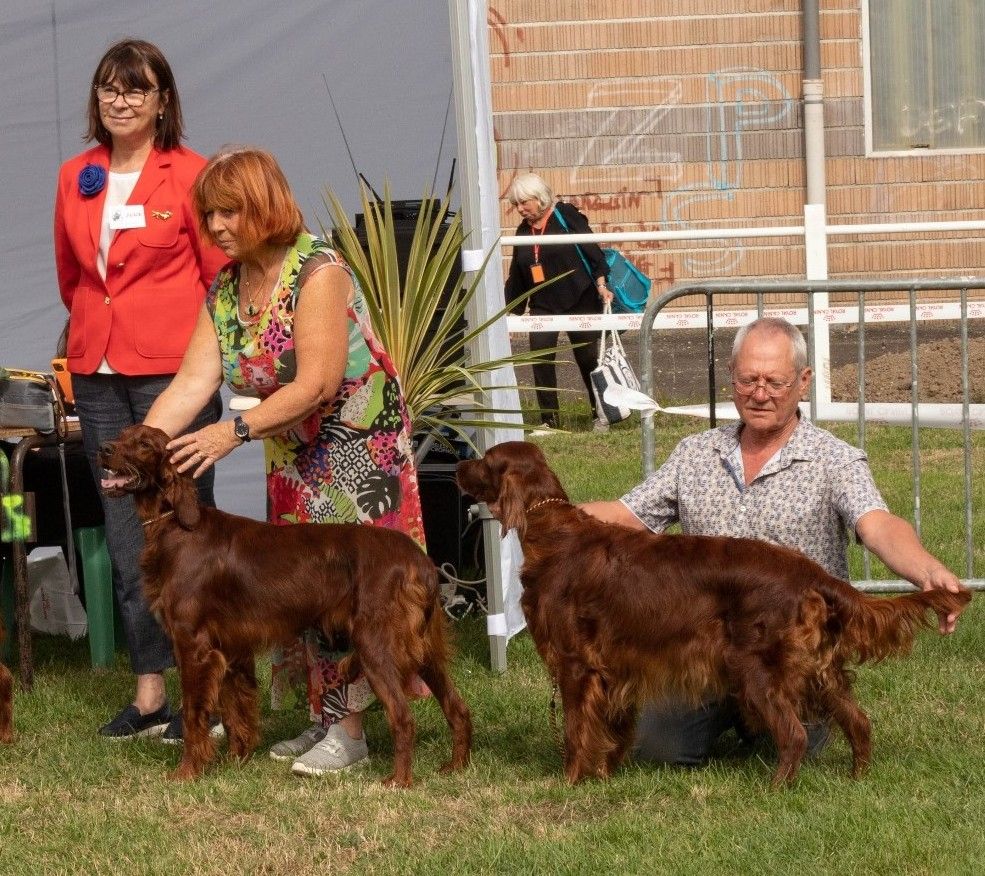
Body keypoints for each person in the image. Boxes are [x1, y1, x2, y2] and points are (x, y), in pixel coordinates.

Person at [143, 146, 427, 777]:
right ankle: (327, 718)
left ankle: (352, 731)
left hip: (356, 449)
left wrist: (231, 432)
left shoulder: (318, 270)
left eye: (229, 212)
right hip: (293, 452)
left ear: (265, 205)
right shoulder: (225, 287)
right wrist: (144, 443)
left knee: (355, 593)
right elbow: (192, 382)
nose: (215, 227)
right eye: (208, 214)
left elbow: (319, 383)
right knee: (297, 591)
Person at [582, 316, 963, 766]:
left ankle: (769, 721)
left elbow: (877, 524)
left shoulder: (832, 459)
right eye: (748, 379)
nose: (759, 394)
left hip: (788, 653)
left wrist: (926, 568)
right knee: (660, 751)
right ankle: (732, 715)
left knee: (796, 746)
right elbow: (629, 516)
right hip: (704, 651)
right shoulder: (696, 454)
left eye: (774, 382)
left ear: (803, 382)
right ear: (732, 378)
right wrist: (548, 513)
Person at [54, 38, 226, 739]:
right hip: (96, 373)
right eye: (108, 89)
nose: (120, 100)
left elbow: (220, 276)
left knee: (189, 530)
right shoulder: (76, 174)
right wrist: (92, 333)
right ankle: (150, 692)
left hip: (175, 371)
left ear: (162, 101)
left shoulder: (192, 172)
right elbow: (73, 276)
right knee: (127, 535)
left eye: (135, 89)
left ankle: (207, 693)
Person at [504, 172, 614, 432]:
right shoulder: (522, 231)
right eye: (516, 205)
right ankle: (548, 420)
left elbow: (593, 252)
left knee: (588, 358)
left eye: (524, 203)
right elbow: (517, 276)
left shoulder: (566, 215)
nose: (519, 209)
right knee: (540, 358)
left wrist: (601, 285)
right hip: (543, 304)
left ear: (539, 198)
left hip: (580, 296)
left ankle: (600, 413)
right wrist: (510, 314)